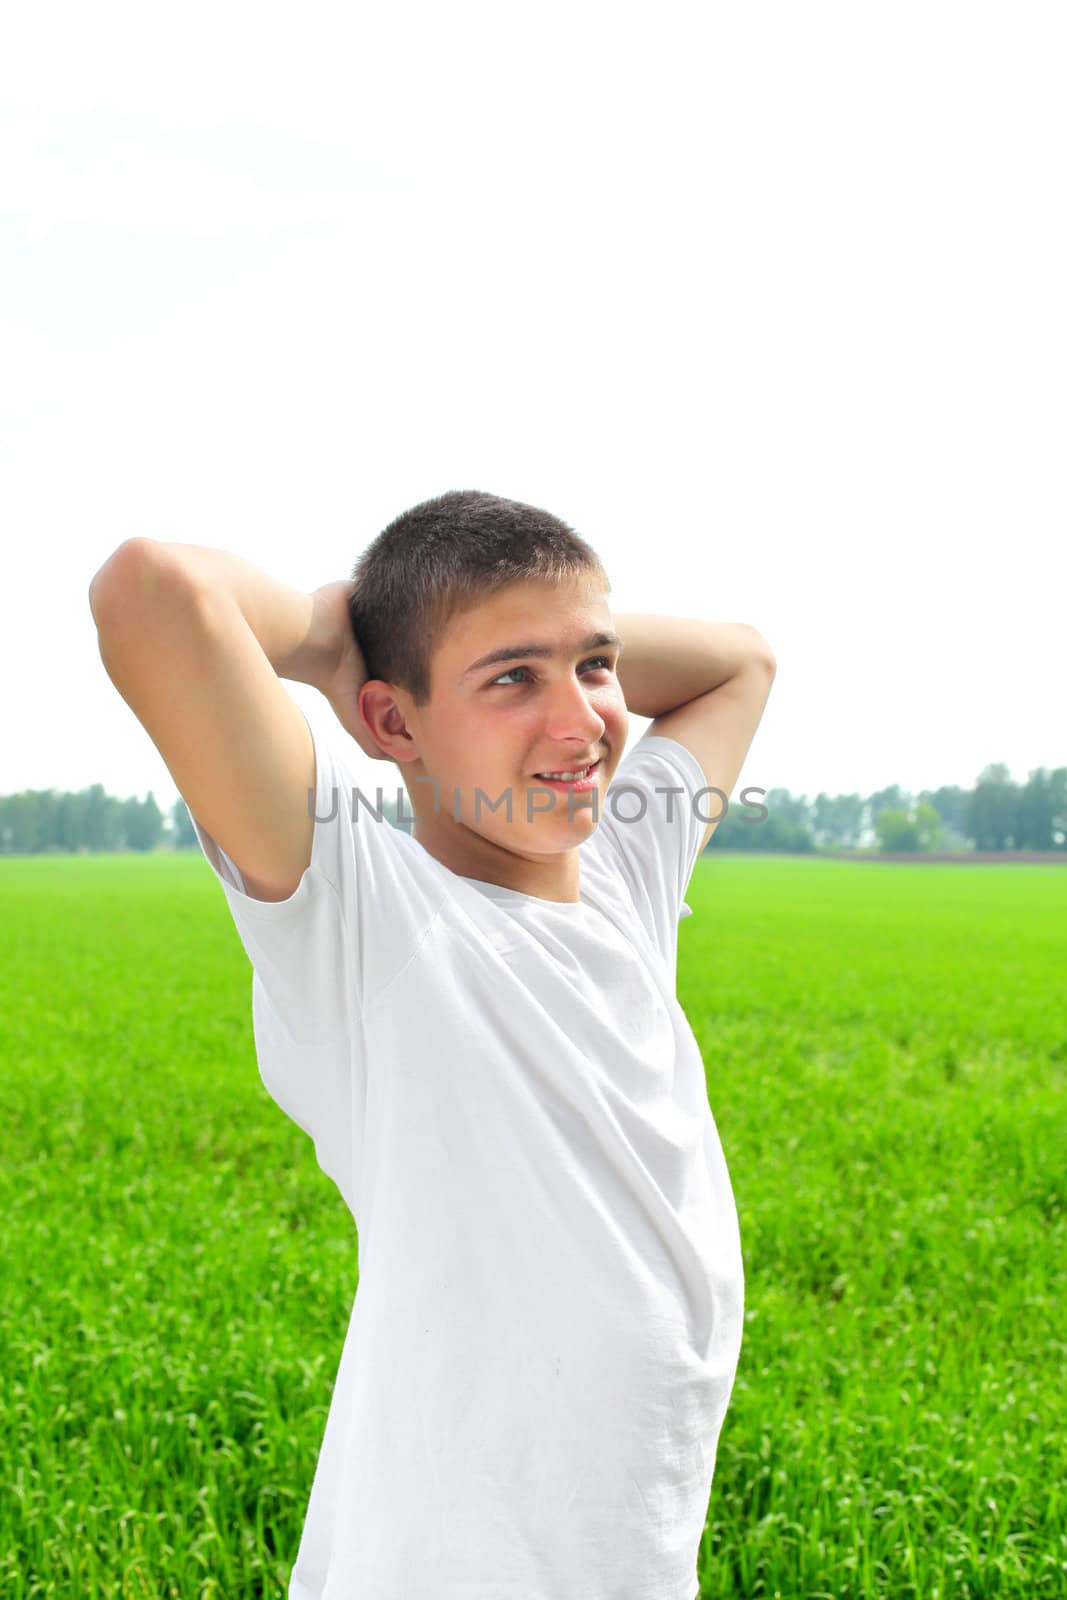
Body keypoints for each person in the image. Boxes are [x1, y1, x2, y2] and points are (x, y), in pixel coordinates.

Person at [88, 488, 777, 1600]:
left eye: (594, 668)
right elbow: (152, 591)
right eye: (512, 679)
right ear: (391, 724)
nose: (581, 722)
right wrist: (338, 633)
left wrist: (528, 625)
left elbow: (739, 663)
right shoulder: (373, 923)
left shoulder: (623, 884)